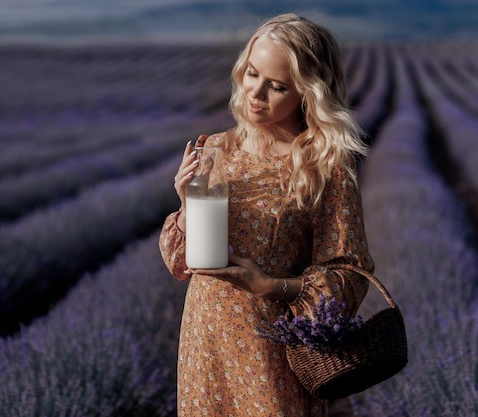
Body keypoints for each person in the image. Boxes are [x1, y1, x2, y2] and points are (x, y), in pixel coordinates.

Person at [159, 13, 374, 417]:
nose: (256, 93)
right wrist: (187, 205)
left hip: (272, 349)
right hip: (204, 344)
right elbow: (179, 263)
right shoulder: (215, 148)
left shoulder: (324, 166)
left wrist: (270, 285)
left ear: (308, 93)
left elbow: (349, 274)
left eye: (277, 86)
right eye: (252, 74)